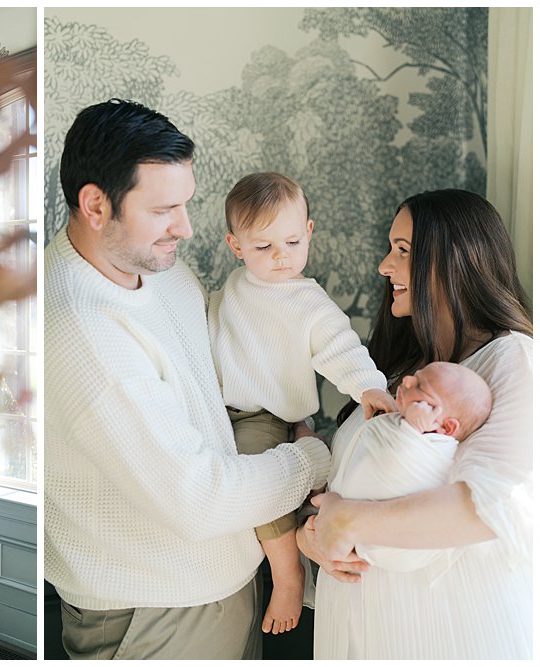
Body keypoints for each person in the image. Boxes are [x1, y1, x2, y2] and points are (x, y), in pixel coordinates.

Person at [45, 99, 333, 660]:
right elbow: (199, 499)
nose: (186, 226)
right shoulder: (84, 333)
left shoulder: (160, 266)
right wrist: (313, 458)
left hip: (220, 581)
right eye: (164, 209)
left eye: (186, 203)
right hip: (156, 611)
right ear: (95, 205)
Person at [296, 189, 532, 659]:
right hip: (362, 629)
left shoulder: (513, 359)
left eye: (403, 251)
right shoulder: (399, 377)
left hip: (446, 630)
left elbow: (493, 506)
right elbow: (348, 484)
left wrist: (347, 519)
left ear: (456, 260)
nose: (385, 266)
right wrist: (313, 537)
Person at [208, 172, 395, 635]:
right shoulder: (233, 286)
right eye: (263, 247)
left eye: (292, 242)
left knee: (257, 475)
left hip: (265, 415)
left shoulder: (309, 303)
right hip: (220, 408)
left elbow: (341, 347)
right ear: (236, 246)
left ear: (308, 232)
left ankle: (288, 576)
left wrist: (369, 387)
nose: (280, 257)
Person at [329, 361, 492, 572]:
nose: (407, 380)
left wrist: (411, 432)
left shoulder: (433, 449)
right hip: (346, 518)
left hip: (390, 543)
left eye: (421, 388)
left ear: (446, 426)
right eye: (415, 376)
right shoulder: (400, 419)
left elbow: (402, 465)